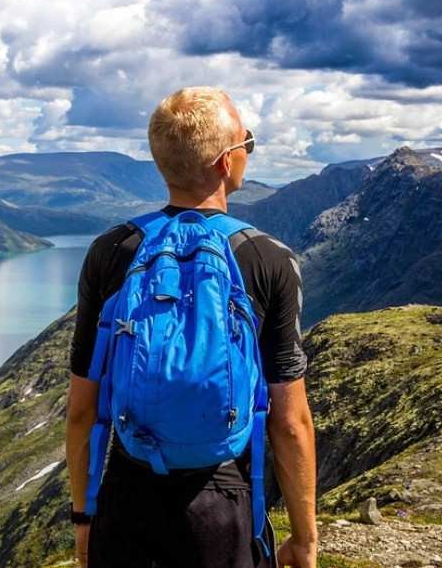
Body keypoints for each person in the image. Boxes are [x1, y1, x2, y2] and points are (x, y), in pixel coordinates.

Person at [65, 87, 318, 567]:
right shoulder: (269, 259)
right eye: (248, 143)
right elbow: (290, 421)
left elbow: (82, 411)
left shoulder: (112, 250)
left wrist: (84, 520)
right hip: (223, 501)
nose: (248, 152)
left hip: (127, 494)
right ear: (227, 163)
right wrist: (304, 539)